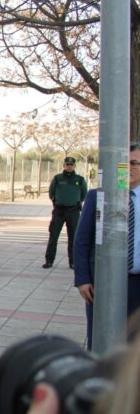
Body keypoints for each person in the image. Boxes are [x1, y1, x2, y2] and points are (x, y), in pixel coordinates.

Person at [74, 143, 140, 350]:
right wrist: (83, 279)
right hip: (101, 282)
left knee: (132, 347)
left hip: (137, 283)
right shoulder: (98, 196)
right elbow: (82, 241)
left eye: (133, 163)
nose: (127, 168)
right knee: (100, 342)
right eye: (123, 164)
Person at [43, 156, 87, 269]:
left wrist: (75, 203)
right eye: (67, 164)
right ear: (64, 165)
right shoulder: (57, 178)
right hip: (59, 211)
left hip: (73, 211)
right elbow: (51, 193)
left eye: (71, 165)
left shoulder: (80, 179)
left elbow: (84, 194)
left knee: (73, 238)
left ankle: (72, 262)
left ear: (74, 166)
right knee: (53, 236)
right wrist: (57, 203)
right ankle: (49, 261)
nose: (69, 166)